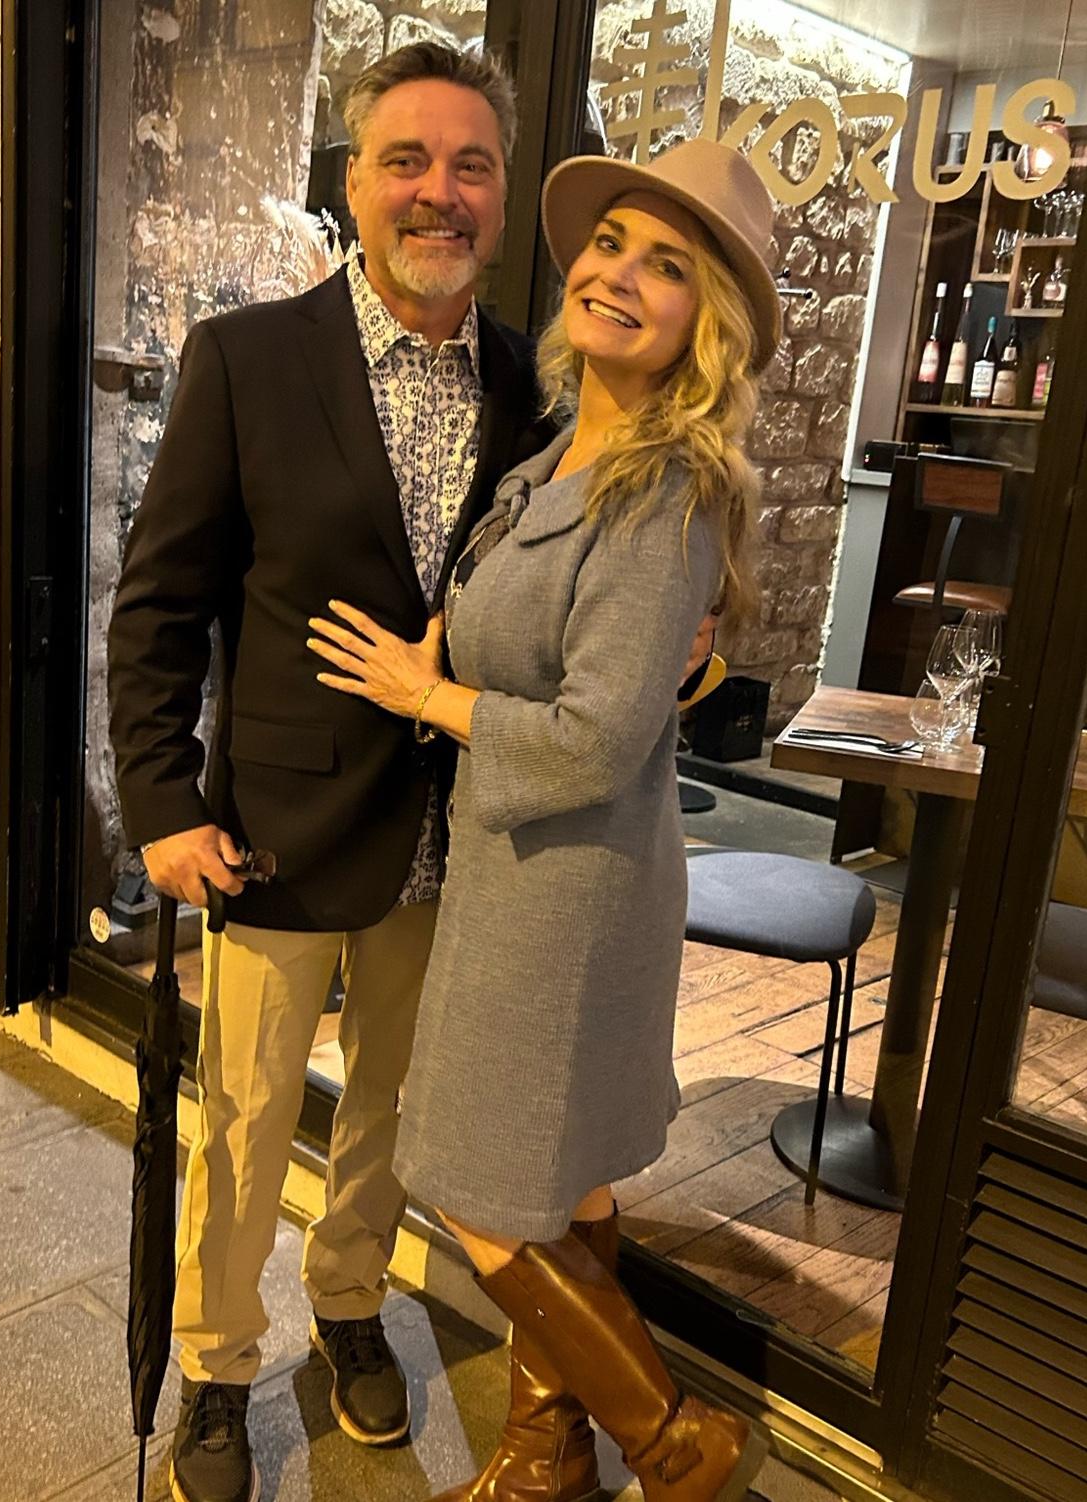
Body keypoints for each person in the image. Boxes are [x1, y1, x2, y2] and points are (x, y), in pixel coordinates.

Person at [109, 40, 713, 1502]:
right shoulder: (247, 359)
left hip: (470, 842)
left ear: (500, 201)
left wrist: (686, 659)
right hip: (276, 832)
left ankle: (347, 1304)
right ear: (353, 182)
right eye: (407, 161)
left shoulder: (540, 385)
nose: (438, 193)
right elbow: (159, 603)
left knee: (390, 1114)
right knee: (247, 1123)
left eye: (470, 166)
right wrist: (163, 805)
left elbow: (590, 611)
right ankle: (216, 1367)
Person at [305, 138, 780, 1501]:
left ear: (705, 324)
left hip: (564, 893)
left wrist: (427, 693)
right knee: (564, 1185)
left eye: (665, 265)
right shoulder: (563, 448)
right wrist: (448, 649)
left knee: (474, 1183)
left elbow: (594, 735)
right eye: (610, 241)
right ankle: (542, 1456)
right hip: (534, 871)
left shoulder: (667, 488)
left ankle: (675, 1441)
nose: (617, 274)